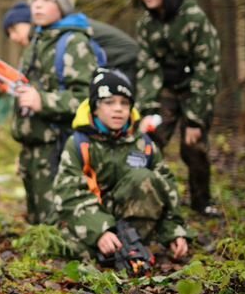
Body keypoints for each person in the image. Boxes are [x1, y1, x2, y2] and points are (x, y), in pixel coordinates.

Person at [48, 68, 190, 260]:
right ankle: (109, 246)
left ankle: (133, 247)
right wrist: (100, 230)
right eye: (109, 102)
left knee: (144, 177)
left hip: (133, 225)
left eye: (124, 103)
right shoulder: (79, 143)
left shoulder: (144, 144)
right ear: (95, 107)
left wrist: (174, 232)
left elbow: (167, 189)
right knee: (63, 246)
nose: (118, 108)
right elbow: (68, 194)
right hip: (92, 216)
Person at [11, 0, 99, 224]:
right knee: (38, 219)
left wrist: (43, 102)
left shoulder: (74, 43)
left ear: (62, 5)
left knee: (57, 221)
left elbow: (87, 99)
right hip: (34, 145)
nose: (37, 4)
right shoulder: (38, 38)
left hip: (58, 147)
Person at [134, 0, 221, 216]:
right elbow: (147, 68)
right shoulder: (146, 24)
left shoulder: (193, 17)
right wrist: (148, 110)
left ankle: (202, 201)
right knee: (149, 141)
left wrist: (195, 118)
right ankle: (149, 200)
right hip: (166, 88)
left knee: (193, 146)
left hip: (196, 86)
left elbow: (207, 66)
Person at [2, 0, 139, 84]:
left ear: (29, 20)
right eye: (9, 35)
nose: (13, 37)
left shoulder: (58, 32)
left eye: (14, 29)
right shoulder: (49, 36)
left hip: (127, 66)